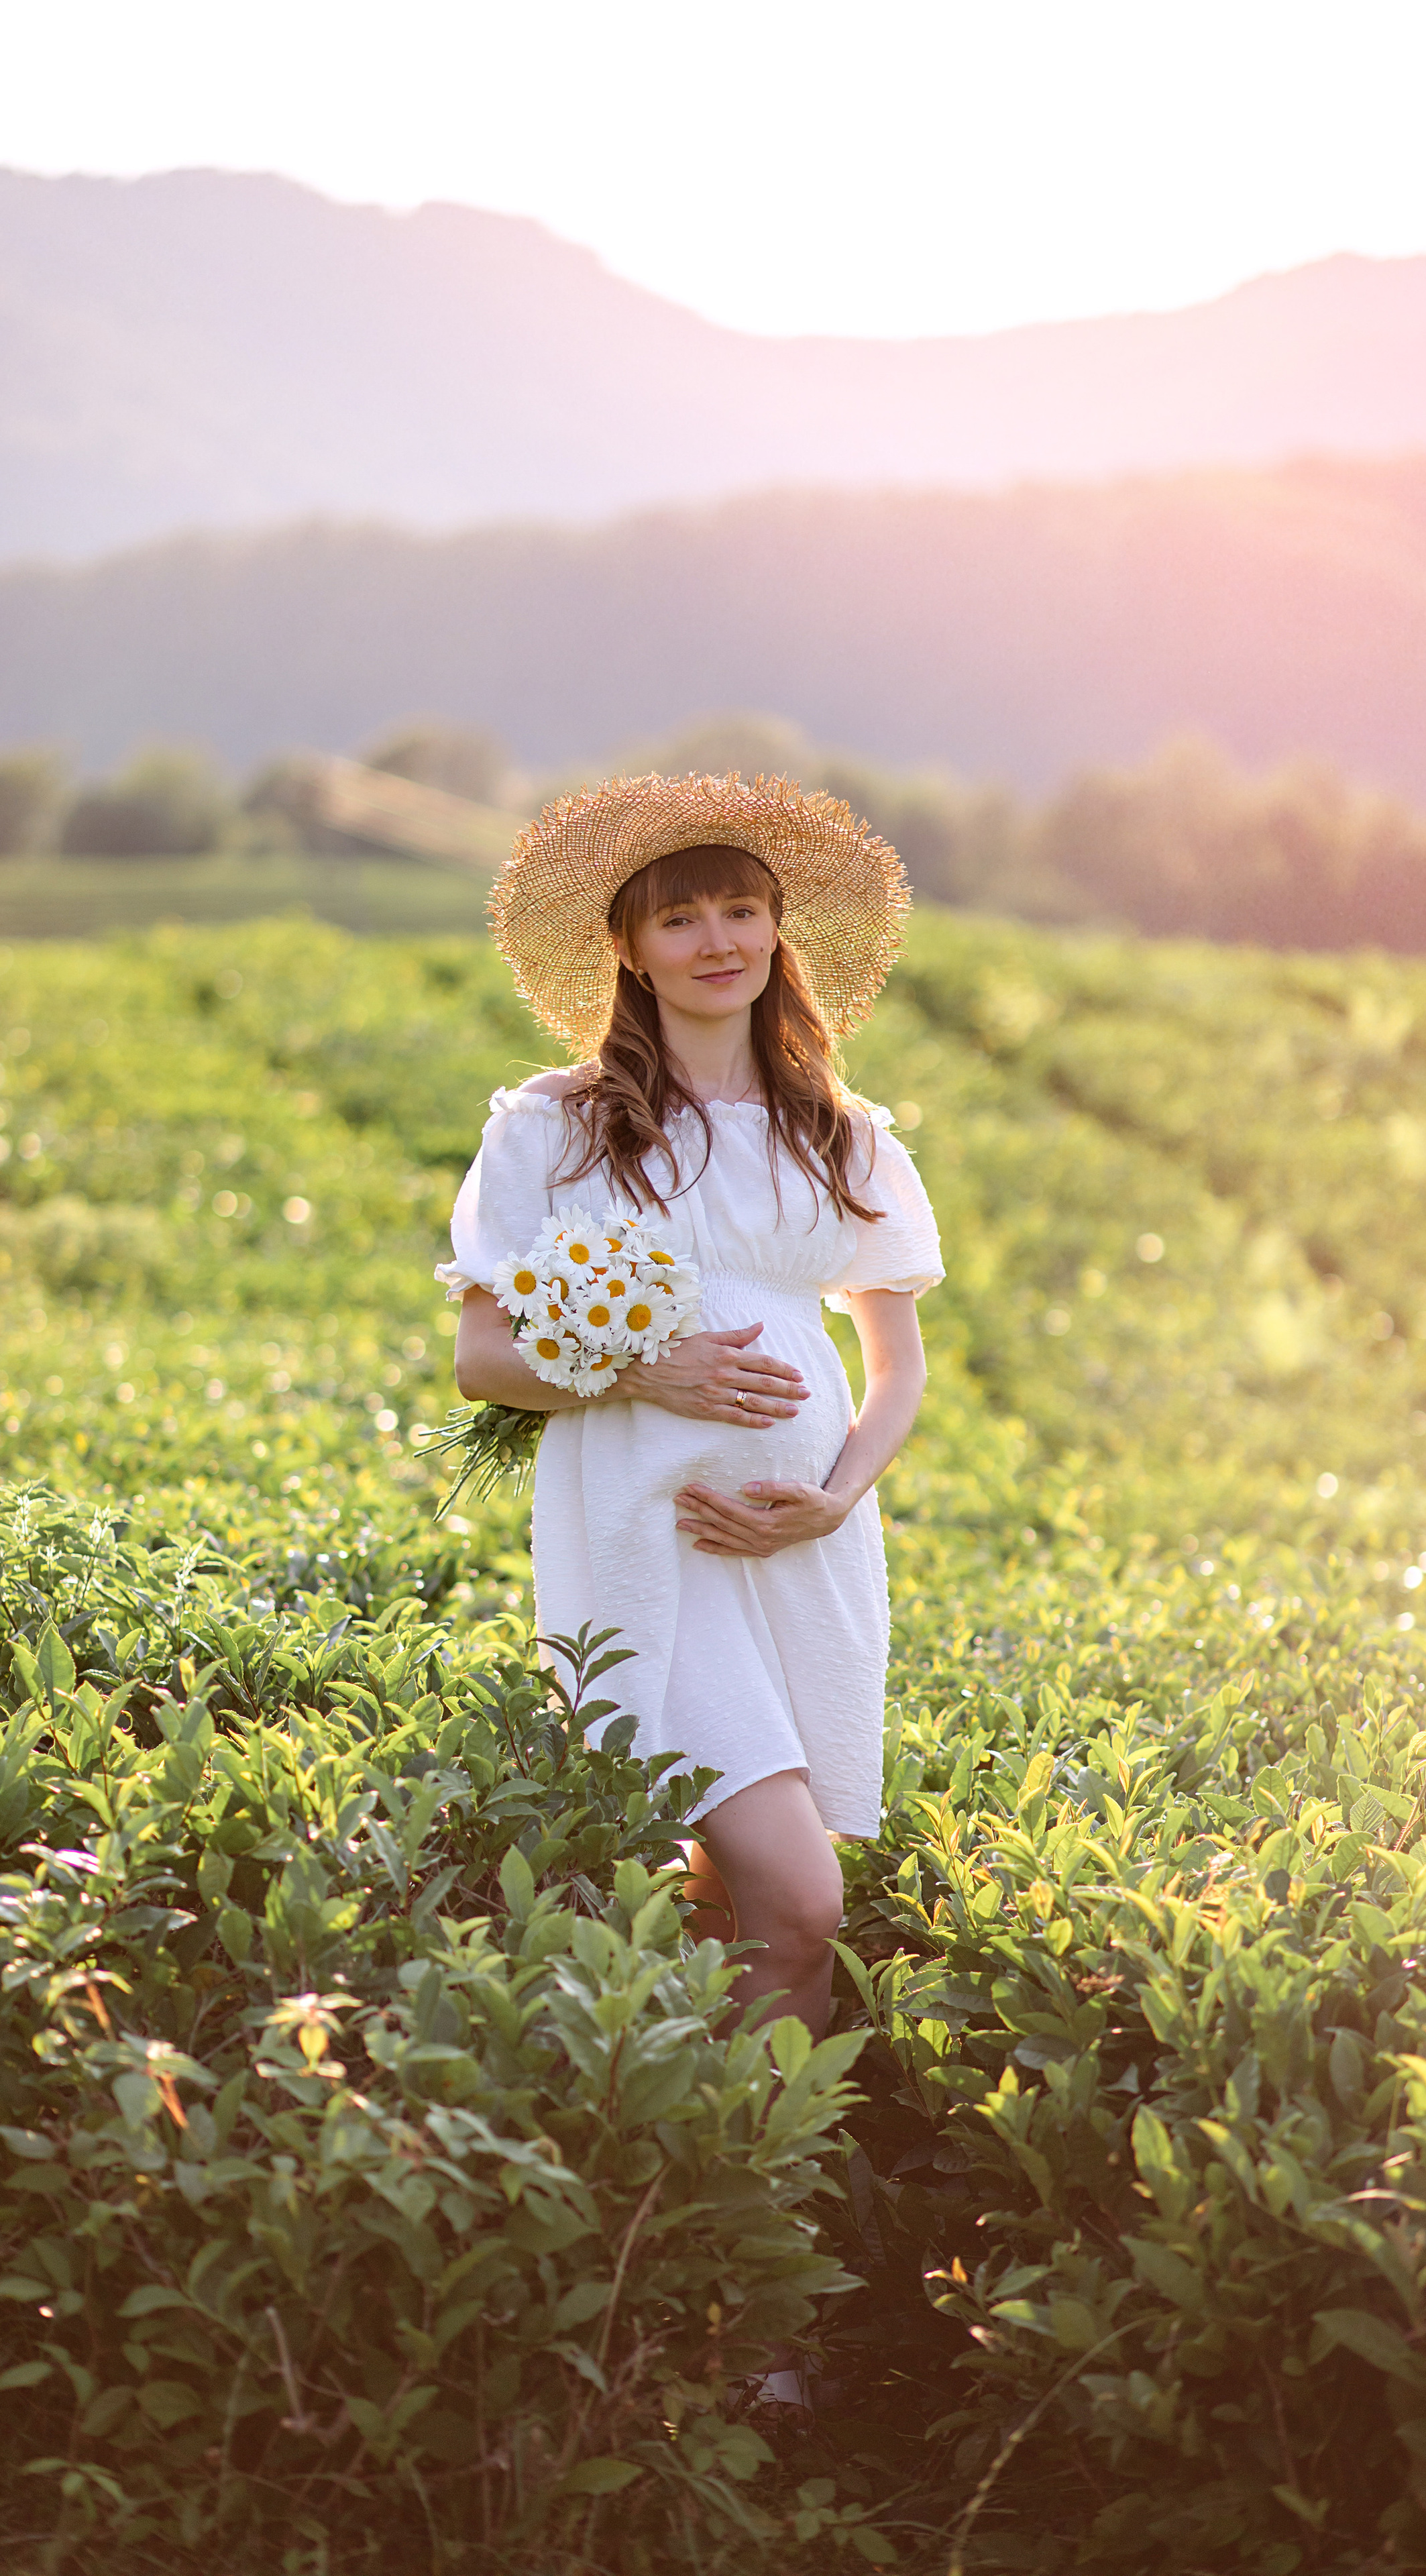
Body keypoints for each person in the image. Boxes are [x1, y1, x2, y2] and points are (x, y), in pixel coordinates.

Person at [440, 771, 942, 2040]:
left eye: (739, 910)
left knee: (740, 1900)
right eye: (679, 920)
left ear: (780, 931)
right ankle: (739, 2157)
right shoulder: (556, 1126)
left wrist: (830, 1502)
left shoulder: (841, 1131)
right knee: (805, 1893)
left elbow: (899, 1369)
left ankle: (741, 2171)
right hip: (648, 1536)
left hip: (802, 1548)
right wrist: (643, 1372)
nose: (717, 942)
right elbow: (484, 1360)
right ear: (626, 947)